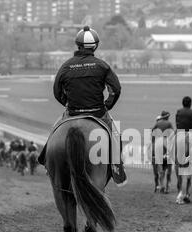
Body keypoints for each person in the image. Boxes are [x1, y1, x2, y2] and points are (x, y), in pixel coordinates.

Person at [37, 26, 126, 185]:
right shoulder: (102, 66)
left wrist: (68, 103)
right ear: (96, 45)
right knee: (116, 137)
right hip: (98, 113)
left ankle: (46, 161)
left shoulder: (66, 66)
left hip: (72, 113)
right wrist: (107, 105)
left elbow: (57, 91)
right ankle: (117, 171)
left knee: (54, 132)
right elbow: (116, 89)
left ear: (77, 45)